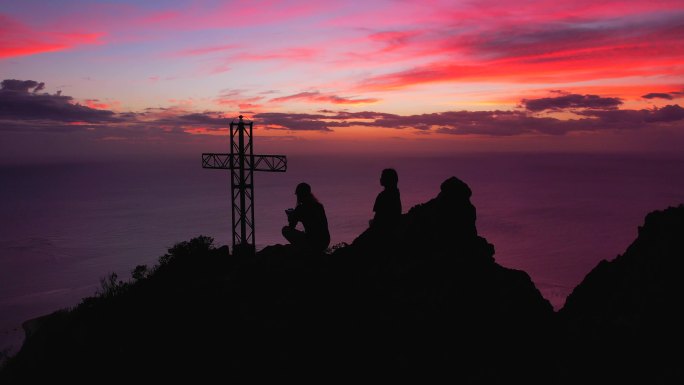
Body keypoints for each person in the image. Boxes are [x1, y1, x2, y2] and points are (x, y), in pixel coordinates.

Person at [282, 182, 331, 253]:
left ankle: (304, 249)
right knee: (307, 233)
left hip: (312, 243)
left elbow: (291, 227)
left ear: (299, 195)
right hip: (325, 242)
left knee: (285, 230)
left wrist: (290, 217)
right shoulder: (319, 206)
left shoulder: (301, 208)